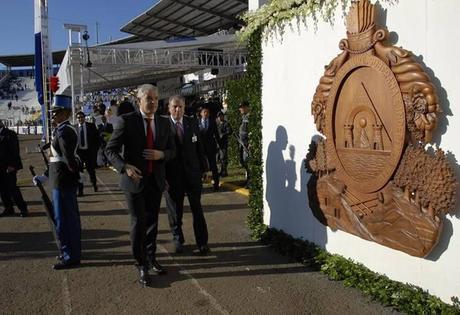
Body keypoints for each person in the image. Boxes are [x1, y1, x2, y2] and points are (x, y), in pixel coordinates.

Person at [105, 84, 175, 286]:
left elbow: (172, 151)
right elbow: (110, 150)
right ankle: (140, 263)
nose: (152, 102)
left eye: (155, 98)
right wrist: (124, 166)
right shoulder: (127, 122)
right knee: (138, 222)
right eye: (148, 99)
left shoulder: (163, 123)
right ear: (139, 101)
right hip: (133, 182)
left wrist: (162, 154)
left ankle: (151, 258)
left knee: (153, 222)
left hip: (156, 181)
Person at [165, 95, 210, 255]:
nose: (178, 110)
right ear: (169, 108)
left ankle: (202, 242)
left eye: (181, 107)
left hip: (193, 174)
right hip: (172, 177)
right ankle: (178, 239)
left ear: (184, 108)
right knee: (175, 212)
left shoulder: (192, 123)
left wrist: (204, 169)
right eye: (175, 107)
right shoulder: (163, 125)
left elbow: (199, 147)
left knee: (197, 209)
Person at [46, 94, 81, 269]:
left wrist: (73, 174)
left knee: (64, 219)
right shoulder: (64, 130)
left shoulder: (64, 131)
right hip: (61, 180)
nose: (53, 116)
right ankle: (71, 252)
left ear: (66, 113)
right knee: (68, 218)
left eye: (56, 112)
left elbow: (69, 160)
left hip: (62, 181)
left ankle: (70, 255)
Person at [0, 119, 28, 217]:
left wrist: (12, 165)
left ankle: (23, 209)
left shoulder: (10, 134)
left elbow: (15, 151)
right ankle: (8, 208)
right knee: (2, 190)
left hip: (9, 167)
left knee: (12, 189)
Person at [75, 111, 100, 195]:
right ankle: (80, 190)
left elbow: (97, 139)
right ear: (76, 119)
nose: (80, 119)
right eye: (78, 117)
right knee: (79, 171)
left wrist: (95, 150)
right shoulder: (74, 128)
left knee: (91, 170)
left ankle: (94, 184)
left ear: (84, 118)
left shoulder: (91, 126)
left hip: (89, 152)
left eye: (82, 117)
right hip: (79, 153)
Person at [198, 106, 220, 191]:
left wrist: (220, 145)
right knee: (200, 167)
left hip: (211, 148)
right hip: (200, 148)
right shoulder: (197, 122)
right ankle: (199, 185)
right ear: (201, 113)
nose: (206, 114)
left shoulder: (212, 122)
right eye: (204, 112)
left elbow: (216, 134)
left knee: (213, 166)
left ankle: (216, 184)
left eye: (207, 112)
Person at [216, 111, 232, 177]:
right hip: (218, 144)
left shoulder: (226, 124)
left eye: (221, 116)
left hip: (224, 143)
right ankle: (221, 170)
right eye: (219, 117)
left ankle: (224, 171)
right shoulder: (218, 124)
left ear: (223, 116)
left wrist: (223, 134)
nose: (220, 118)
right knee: (219, 158)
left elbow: (230, 131)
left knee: (223, 158)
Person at [239, 101, 250, 186]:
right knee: (243, 162)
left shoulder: (249, 117)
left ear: (247, 107)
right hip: (242, 144)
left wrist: (250, 143)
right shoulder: (244, 117)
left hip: (247, 145)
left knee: (247, 162)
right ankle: (248, 179)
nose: (240, 109)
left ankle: (250, 181)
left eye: (242, 107)